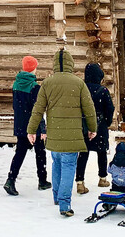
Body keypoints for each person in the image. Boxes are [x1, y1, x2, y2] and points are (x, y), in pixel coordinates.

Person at [26, 48, 97, 218]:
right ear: (71, 64)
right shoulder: (78, 83)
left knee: (56, 163)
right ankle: (64, 203)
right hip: (72, 137)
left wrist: (31, 130)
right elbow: (89, 109)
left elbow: (38, 109)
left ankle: (57, 196)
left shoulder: (47, 84)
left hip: (55, 135)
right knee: (68, 167)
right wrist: (92, 128)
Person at [3, 56, 51, 196]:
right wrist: (42, 128)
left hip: (20, 123)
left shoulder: (16, 84)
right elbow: (38, 110)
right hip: (33, 125)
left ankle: (11, 179)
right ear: (33, 69)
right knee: (40, 152)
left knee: (20, 153)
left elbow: (15, 105)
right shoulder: (35, 87)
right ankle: (42, 180)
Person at [75, 62, 115, 194]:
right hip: (100, 124)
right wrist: (107, 122)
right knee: (102, 152)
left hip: (83, 125)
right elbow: (110, 108)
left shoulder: (81, 89)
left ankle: (80, 182)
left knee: (83, 154)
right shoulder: (102, 91)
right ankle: (102, 178)